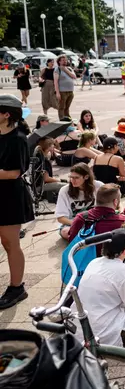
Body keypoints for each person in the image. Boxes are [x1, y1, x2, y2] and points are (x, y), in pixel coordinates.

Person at [0, 95, 34, 308]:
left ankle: (16, 287)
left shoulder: (18, 138)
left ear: (6, 114)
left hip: (10, 196)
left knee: (10, 242)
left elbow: (14, 172)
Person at [68, 184, 125, 257]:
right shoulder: (122, 222)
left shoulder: (80, 218)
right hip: (109, 261)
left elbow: (71, 243)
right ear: (115, 202)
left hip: (82, 262)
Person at [55, 163, 103, 240]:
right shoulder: (64, 190)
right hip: (73, 223)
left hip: (95, 220)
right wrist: (77, 224)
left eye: (76, 178)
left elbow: (112, 202)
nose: (73, 180)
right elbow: (61, 218)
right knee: (65, 232)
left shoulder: (99, 186)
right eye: (71, 177)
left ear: (86, 177)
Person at [54, 54, 77, 120]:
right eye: (63, 60)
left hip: (70, 91)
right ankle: (61, 119)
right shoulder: (57, 69)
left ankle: (67, 118)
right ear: (59, 61)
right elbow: (55, 82)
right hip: (62, 92)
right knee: (61, 107)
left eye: (66, 60)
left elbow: (74, 76)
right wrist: (57, 93)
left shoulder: (69, 68)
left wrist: (65, 70)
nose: (65, 61)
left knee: (67, 107)